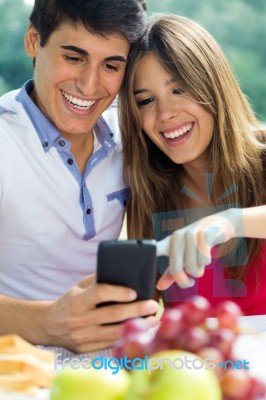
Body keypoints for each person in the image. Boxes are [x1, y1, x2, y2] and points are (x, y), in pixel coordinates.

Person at [0, 0, 159, 354]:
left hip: (107, 361)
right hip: (15, 365)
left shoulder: (130, 132)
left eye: (111, 66)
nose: (89, 86)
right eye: (73, 58)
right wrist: (47, 322)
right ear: (33, 40)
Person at [119, 14, 266, 315]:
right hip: (198, 363)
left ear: (212, 85)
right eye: (146, 101)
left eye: (179, 89)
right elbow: (144, 316)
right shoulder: (150, 198)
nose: (165, 114)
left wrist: (231, 222)